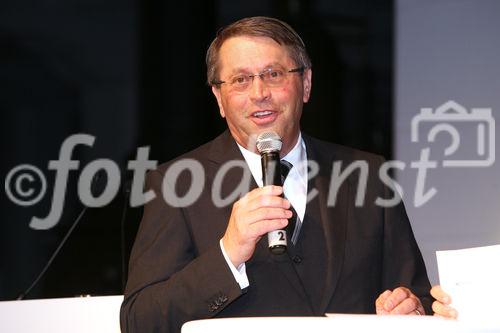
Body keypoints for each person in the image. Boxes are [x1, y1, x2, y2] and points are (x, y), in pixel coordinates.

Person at [120, 16, 432, 333]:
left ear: (306, 84)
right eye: (240, 80)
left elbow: (419, 299)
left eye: (273, 74)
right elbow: (139, 321)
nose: (259, 93)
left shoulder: (368, 174)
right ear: (219, 99)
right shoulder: (177, 183)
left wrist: (413, 308)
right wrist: (227, 255)